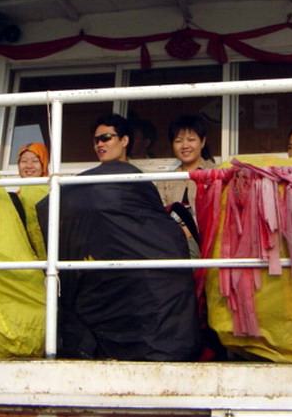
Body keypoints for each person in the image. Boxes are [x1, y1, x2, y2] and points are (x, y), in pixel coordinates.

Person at [42, 113, 200, 360]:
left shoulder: (141, 180)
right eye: (96, 140)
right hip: (102, 266)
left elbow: (151, 223)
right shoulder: (85, 184)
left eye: (106, 138)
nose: (100, 144)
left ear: (125, 140)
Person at [156, 115, 216, 258]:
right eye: (178, 141)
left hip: (209, 243)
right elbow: (160, 214)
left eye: (191, 139)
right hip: (173, 243)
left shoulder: (215, 174)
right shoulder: (165, 180)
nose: (185, 146)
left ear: (202, 142)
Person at [13, 142, 48, 260]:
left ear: (44, 164)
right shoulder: (15, 196)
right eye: (23, 161)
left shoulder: (53, 190)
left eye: (35, 161)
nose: (29, 166)